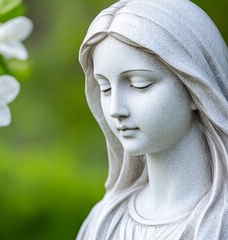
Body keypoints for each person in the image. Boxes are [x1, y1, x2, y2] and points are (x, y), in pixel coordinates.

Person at [77, 0, 228, 239]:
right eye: (105, 88)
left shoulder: (220, 223)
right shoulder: (103, 222)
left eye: (139, 84)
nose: (116, 109)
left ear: (195, 88)